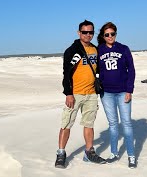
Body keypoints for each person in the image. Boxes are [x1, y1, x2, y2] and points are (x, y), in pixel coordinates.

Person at [55, 20, 107, 168]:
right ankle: (61, 153)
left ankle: (89, 152)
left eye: (91, 32)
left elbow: (99, 71)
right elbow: (66, 74)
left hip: (91, 94)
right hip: (75, 94)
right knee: (66, 124)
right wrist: (68, 93)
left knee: (89, 124)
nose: (88, 35)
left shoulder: (95, 50)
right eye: (85, 32)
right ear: (79, 33)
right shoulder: (72, 50)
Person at [97, 22, 137, 168]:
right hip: (106, 93)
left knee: (126, 123)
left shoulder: (124, 49)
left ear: (115, 34)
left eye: (112, 34)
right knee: (113, 124)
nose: (110, 37)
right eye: (107, 34)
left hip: (122, 93)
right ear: (103, 36)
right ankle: (114, 153)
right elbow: (93, 68)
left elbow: (131, 70)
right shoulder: (99, 50)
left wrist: (129, 90)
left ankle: (131, 155)